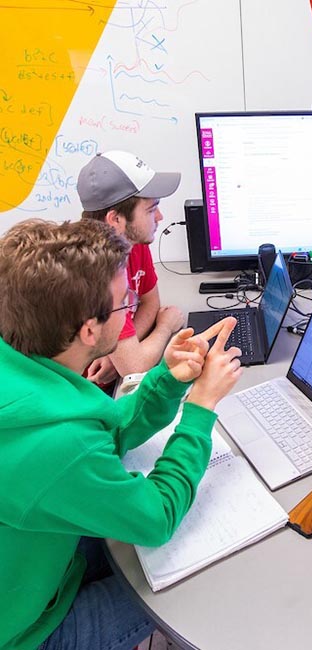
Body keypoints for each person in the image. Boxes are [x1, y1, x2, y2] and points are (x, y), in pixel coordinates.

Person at [0, 219, 243, 650]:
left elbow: (100, 430)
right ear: (89, 330)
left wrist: (167, 379)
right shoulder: (59, 445)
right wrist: (200, 410)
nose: (133, 305)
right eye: (124, 300)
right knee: (182, 576)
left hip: (32, 563)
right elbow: (156, 518)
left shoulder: (21, 366)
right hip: (26, 632)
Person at [78, 150, 186, 386]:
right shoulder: (95, 274)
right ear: (115, 219)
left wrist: (115, 350)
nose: (160, 216)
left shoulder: (132, 242)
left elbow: (150, 302)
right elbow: (134, 366)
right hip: (83, 393)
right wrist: (165, 326)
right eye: (150, 209)